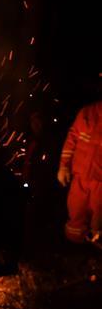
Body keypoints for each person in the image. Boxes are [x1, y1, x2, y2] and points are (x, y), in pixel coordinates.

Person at [58, 99, 102, 245]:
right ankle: (74, 245)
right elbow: (71, 139)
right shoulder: (87, 112)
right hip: (80, 177)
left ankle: (96, 246)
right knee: (76, 211)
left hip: (100, 182)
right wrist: (64, 167)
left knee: (99, 219)